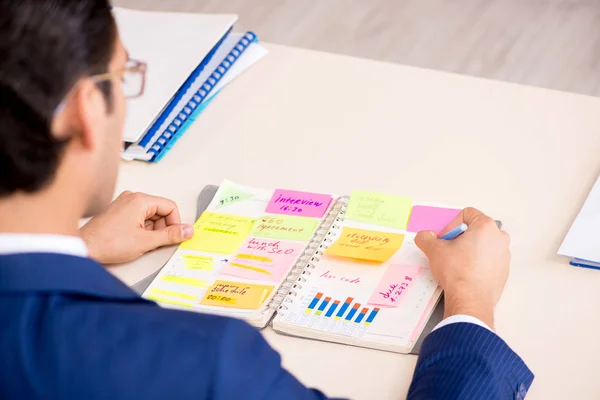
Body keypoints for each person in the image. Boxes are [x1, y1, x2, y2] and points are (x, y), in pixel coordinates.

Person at [0, 1, 533, 399]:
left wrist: (72, 246)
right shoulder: (195, 363)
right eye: (124, 77)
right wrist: (470, 302)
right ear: (87, 111)